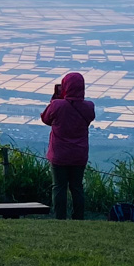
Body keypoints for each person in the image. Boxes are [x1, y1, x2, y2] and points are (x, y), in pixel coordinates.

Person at [41, 72, 96, 220]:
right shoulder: (89, 106)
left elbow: (45, 118)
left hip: (59, 154)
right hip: (79, 154)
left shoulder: (57, 105)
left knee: (59, 187)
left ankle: (60, 218)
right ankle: (78, 218)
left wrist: (56, 98)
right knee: (77, 187)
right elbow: (88, 118)